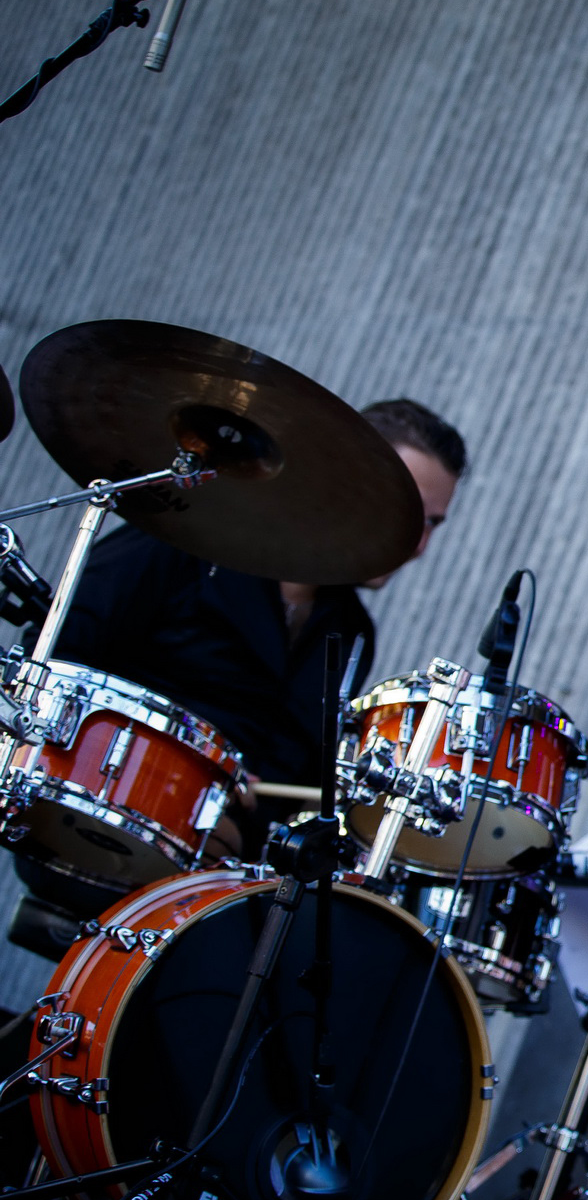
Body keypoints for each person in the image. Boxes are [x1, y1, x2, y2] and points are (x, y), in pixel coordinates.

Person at [6, 399, 465, 947]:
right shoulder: (181, 548)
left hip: (226, 884)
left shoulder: (350, 630)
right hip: (100, 826)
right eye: (409, 512)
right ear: (336, 475)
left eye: (433, 524)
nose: (419, 544)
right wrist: (188, 779)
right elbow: (49, 665)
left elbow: (298, 783)